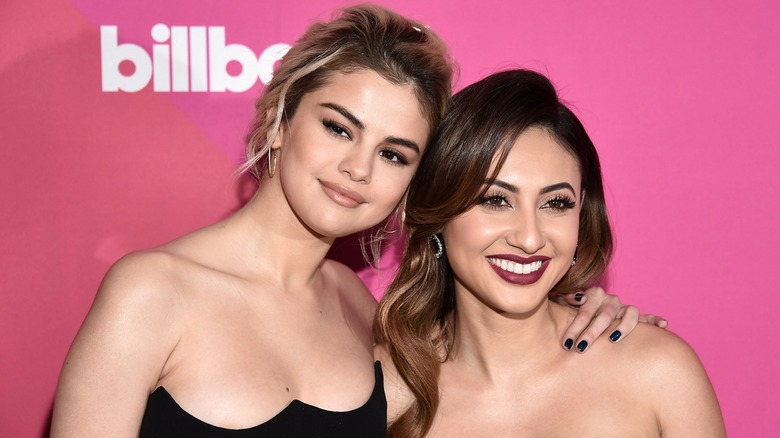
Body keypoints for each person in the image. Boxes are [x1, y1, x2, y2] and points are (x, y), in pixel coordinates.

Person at [51, 6, 661, 437]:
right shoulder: (151, 291)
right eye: (339, 128)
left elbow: (492, 365)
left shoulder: (361, 311)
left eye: (394, 153)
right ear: (282, 119)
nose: (357, 168)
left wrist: (584, 310)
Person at [375, 69, 725, 437]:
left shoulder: (658, 372)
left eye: (556, 203)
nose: (529, 239)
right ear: (439, 212)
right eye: (495, 200)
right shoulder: (385, 394)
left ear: (581, 211)